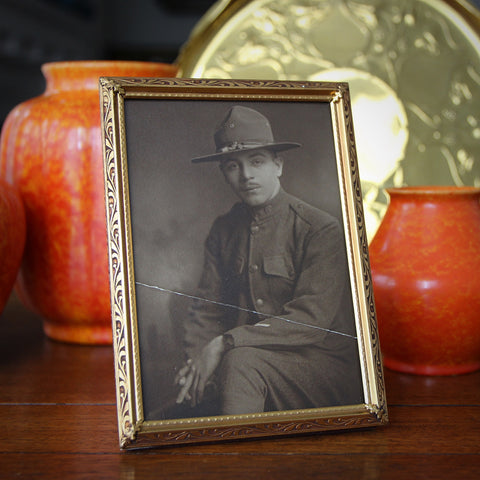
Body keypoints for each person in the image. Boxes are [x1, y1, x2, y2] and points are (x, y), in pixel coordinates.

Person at [174, 105, 363, 416]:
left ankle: (239, 462)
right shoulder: (224, 230)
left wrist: (225, 344)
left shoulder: (319, 228)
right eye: (233, 166)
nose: (246, 175)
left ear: (278, 165)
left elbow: (309, 321)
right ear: (224, 174)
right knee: (180, 407)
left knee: (240, 363)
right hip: (252, 361)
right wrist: (197, 363)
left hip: (322, 365)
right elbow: (206, 310)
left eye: (257, 162)